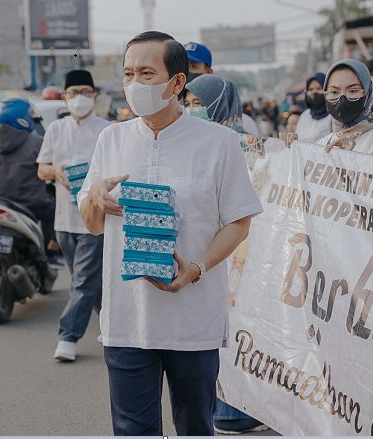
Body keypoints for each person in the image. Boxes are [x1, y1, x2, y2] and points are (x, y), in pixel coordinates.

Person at [78, 31, 262, 436]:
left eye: (146, 73)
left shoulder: (219, 142)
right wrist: (95, 196)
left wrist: (196, 267)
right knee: (132, 430)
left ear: (177, 83)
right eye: (128, 73)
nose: (134, 85)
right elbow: (92, 224)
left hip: (192, 320)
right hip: (128, 320)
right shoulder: (111, 139)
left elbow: (239, 221)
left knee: (195, 426)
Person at [184, 73, 270, 435]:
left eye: (199, 104)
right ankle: (222, 408)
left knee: (239, 329)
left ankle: (235, 408)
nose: (192, 111)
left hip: (242, 248)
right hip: (206, 249)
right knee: (215, 332)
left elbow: (262, 186)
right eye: (187, 103)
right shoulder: (188, 142)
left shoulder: (243, 141)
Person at [36, 69, 110, 362]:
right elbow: (42, 168)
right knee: (89, 280)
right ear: (64, 97)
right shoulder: (55, 130)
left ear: (94, 95)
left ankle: (67, 337)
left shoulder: (107, 130)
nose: (79, 98)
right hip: (63, 219)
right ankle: (111, 322)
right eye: (73, 92)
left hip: (94, 217)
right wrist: (57, 171)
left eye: (85, 92)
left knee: (82, 280)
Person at [0, 97, 56, 253]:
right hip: (31, 205)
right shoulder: (37, 143)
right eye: (29, 115)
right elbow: (49, 173)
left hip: (0, 204)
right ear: (21, 118)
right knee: (53, 208)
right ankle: (48, 252)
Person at [316, 59, 373, 160]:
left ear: (367, 93)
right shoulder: (321, 145)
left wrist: (351, 160)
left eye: (353, 91)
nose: (342, 99)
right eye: (334, 92)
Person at [184, 41, 259, 136]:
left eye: (193, 66)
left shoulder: (244, 124)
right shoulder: (178, 122)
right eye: (188, 104)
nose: (186, 73)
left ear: (208, 72)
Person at [296, 72, 333, 142]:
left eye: (319, 88)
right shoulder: (305, 115)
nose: (315, 92)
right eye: (311, 89)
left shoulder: (333, 116)